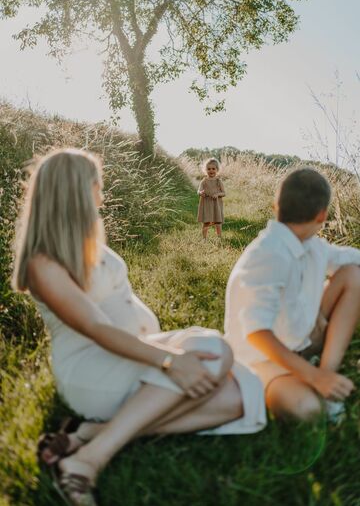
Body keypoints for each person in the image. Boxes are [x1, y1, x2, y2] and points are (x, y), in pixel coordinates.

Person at [13, 148, 266, 506]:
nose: (101, 190)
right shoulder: (44, 264)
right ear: (76, 189)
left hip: (130, 352)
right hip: (93, 368)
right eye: (96, 183)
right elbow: (96, 328)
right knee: (216, 354)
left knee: (235, 399)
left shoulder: (86, 244)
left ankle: (89, 434)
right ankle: (87, 461)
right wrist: (169, 360)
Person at [225, 167, 360, 421]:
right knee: (308, 410)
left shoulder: (313, 246)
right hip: (261, 360)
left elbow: (350, 258)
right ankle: (314, 379)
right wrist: (312, 378)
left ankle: (326, 371)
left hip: (302, 338)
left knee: (353, 274)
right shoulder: (266, 255)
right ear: (322, 215)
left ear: (276, 204)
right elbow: (257, 334)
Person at [197, 158, 225, 239]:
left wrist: (218, 194)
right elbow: (199, 190)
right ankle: (204, 238)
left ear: (217, 170)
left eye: (213, 169)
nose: (211, 170)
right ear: (206, 170)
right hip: (206, 203)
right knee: (206, 221)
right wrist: (200, 192)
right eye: (209, 169)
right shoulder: (204, 181)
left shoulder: (218, 181)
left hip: (216, 204)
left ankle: (219, 237)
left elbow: (224, 193)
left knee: (218, 222)